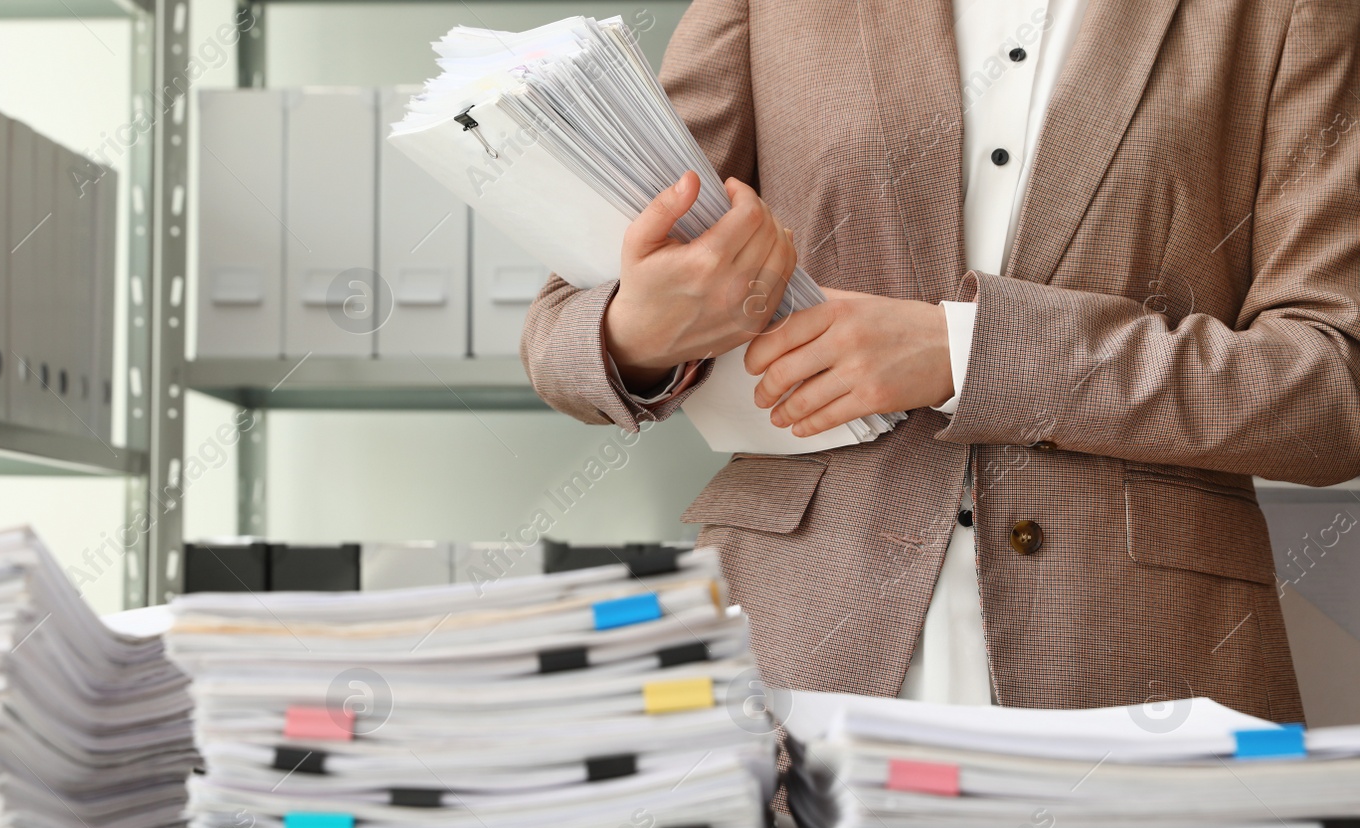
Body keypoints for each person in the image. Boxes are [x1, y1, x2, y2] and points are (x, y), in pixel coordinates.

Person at [520, 0, 1360, 723]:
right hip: (797, 642)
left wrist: (967, 353)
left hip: (1140, 657)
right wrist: (638, 329)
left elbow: (1333, 387)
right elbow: (561, 333)